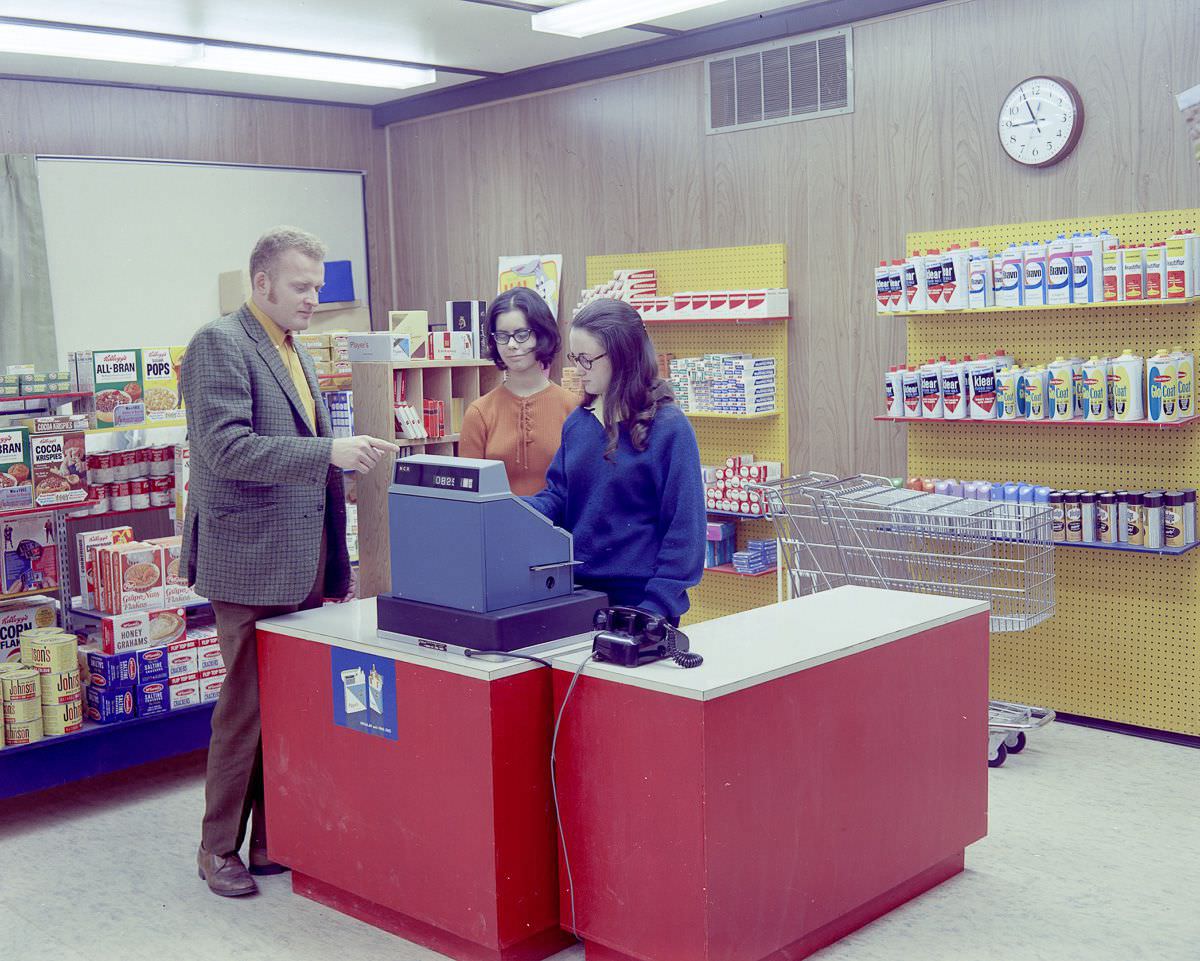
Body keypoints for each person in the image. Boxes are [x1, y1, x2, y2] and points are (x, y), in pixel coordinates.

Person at [180, 226, 397, 898]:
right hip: (247, 562)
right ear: (263, 282)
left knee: (289, 707)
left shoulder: (291, 346)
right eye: (301, 286)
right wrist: (327, 454)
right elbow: (227, 449)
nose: (313, 299)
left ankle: (274, 840)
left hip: (299, 558)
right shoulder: (220, 342)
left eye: (318, 287)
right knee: (245, 708)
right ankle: (218, 848)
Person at [527, 298, 705, 622]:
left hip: (641, 605)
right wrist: (512, 511)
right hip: (576, 595)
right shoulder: (578, 424)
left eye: (586, 359)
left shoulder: (670, 429)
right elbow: (559, 495)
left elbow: (685, 532)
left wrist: (656, 610)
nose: (577, 369)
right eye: (573, 357)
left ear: (622, 356)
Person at [458, 287, 577, 495]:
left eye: (522, 334)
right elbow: (469, 494)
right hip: (496, 525)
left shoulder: (574, 408)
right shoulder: (479, 413)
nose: (512, 345)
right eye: (502, 336)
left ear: (542, 335)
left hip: (558, 526)